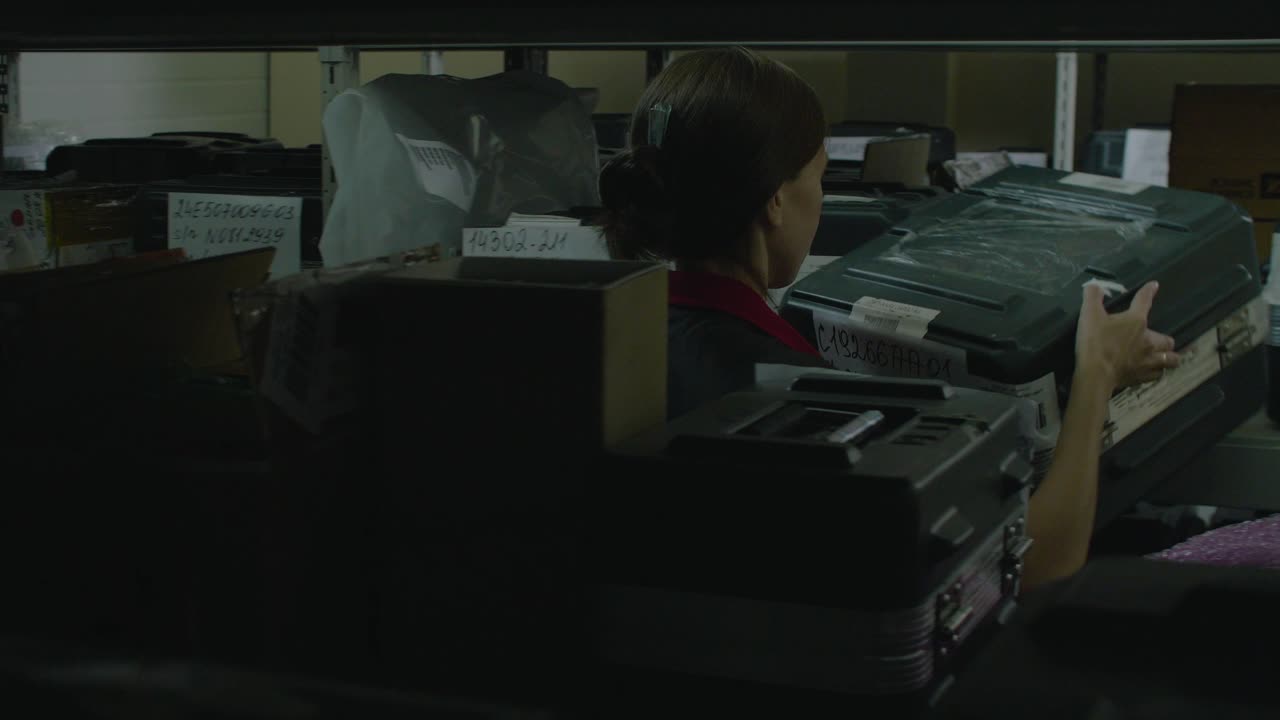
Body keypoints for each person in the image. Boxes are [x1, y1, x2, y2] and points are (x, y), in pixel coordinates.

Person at [598, 46, 1181, 590]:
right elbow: (1039, 559)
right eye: (819, 176)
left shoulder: (613, 341)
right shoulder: (785, 402)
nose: (821, 198)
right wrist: (1097, 374)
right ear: (776, 200)